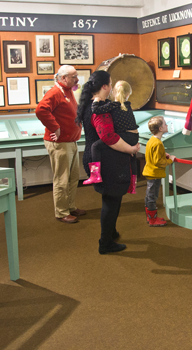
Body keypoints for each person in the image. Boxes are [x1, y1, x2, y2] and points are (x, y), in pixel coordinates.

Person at [75, 70, 140, 254]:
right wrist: (131, 149)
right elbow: (109, 137)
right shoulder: (98, 109)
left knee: (113, 198)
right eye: (110, 84)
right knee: (111, 200)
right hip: (106, 161)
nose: (111, 87)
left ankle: (110, 232)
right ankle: (105, 243)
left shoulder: (93, 104)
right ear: (104, 87)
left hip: (102, 158)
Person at [35, 65, 86, 224]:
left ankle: (70, 206)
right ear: (63, 78)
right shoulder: (55, 92)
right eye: (73, 76)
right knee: (62, 179)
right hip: (60, 143)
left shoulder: (68, 91)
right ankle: (61, 212)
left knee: (73, 176)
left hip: (70, 141)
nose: (77, 79)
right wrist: (55, 127)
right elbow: (41, 110)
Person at [83, 80, 139, 195]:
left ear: (114, 92)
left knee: (95, 146)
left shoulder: (113, 105)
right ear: (128, 94)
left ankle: (95, 175)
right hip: (134, 136)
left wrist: (97, 100)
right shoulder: (128, 105)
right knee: (132, 158)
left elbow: (96, 110)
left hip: (125, 135)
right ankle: (133, 184)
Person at [142, 116, 176, 227]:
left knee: (149, 196)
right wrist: (169, 160)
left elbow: (152, 156)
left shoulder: (152, 140)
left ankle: (150, 217)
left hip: (150, 172)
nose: (167, 125)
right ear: (160, 128)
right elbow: (158, 162)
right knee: (152, 196)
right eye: (165, 124)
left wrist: (163, 154)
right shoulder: (158, 143)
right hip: (154, 174)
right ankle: (153, 219)